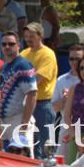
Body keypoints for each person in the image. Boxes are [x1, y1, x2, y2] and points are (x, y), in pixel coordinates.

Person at [20, 23, 57, 158]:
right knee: (28, 144)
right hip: (25, 104)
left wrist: (18, 84)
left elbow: (37, 79)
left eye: (32, 36)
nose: (28, 39)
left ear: (41, 36)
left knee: (44, 146)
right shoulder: (23, 53)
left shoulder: (48, 54)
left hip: (42, 105)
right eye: (26, 36)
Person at [0, 30, 38, 154]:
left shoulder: (24, 65)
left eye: (11, 44)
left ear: (18, 45)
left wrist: (24, 124)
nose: (7, 47)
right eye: (4, 44)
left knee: (23, 159)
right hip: (5, 121)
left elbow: (32, 94)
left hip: (19, 120)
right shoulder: (5, 67)